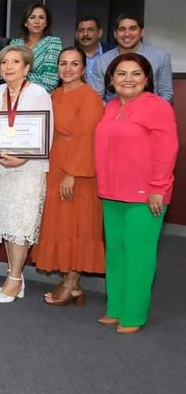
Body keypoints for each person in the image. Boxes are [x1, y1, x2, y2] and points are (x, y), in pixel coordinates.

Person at [94, 53, 177, 333]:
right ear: (111, 79)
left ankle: (133, 314)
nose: (128, 79)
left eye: (135, 74)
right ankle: (115, 308)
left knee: (139, 254)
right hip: (111, 192)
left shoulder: (158, 107)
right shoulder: (110, 107)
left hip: (145, 196)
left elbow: (167, 151)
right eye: (121, 74)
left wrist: (159, 188)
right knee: (115, 253)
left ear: (147, 79)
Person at [33, 47, 105, 306]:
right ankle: (68, 280)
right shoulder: (56, 94)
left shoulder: (90, 97)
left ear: (84, 69)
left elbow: (87, 136)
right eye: (63, 63)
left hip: (78, 169)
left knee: (78, 225)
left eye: (74, 64)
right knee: (61, 224)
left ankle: (72, 284)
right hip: (55, 162)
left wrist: (72, 174)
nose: (68, 68)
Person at [0, 45, 53, 303]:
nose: (9, 66)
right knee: (6, 223)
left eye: (15, 62)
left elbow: (46, 132)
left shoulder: (38, 93)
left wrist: (22, 158)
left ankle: (14, 278)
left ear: (27, 68)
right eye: (4, 62)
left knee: (21, 224)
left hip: (27, 168)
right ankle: (14, 276)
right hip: (0, 168)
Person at [89, 14, 173, 103]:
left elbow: (166, 94)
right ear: (115, 34)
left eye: (133, 28)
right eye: (122, 29)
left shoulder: (160, 56)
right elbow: (96, 98)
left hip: (150, 113)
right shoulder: (102, 61)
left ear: (142, 32)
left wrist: (151, 112)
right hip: (114, 114)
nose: (127, 34)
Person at [8, 4, 61, 93]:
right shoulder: (15, 44)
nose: (37, 21)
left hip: (40, 96)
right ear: (25, 22)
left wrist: (20, 75)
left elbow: (50, 81)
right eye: (32, 17)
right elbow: (8, 74)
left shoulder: (53, 42)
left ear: (46, 23)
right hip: (14, 95)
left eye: (41, 17)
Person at [73, 16, 107, 83]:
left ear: (99, 33)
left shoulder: (112, 54)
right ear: (76, 35)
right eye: (81, 30)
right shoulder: (70, 55)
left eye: (90, 30)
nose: (85, 34)